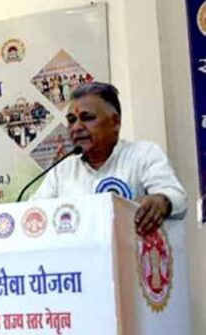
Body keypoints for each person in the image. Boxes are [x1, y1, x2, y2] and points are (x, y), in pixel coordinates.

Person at [32, 81, 187, 235]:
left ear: (115, 122)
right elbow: (33, 212)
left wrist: (162, 200)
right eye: (71, 120)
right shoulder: (62, 171)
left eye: (87, 118)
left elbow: (177, 197)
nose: (76, 127)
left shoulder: (143, 154)